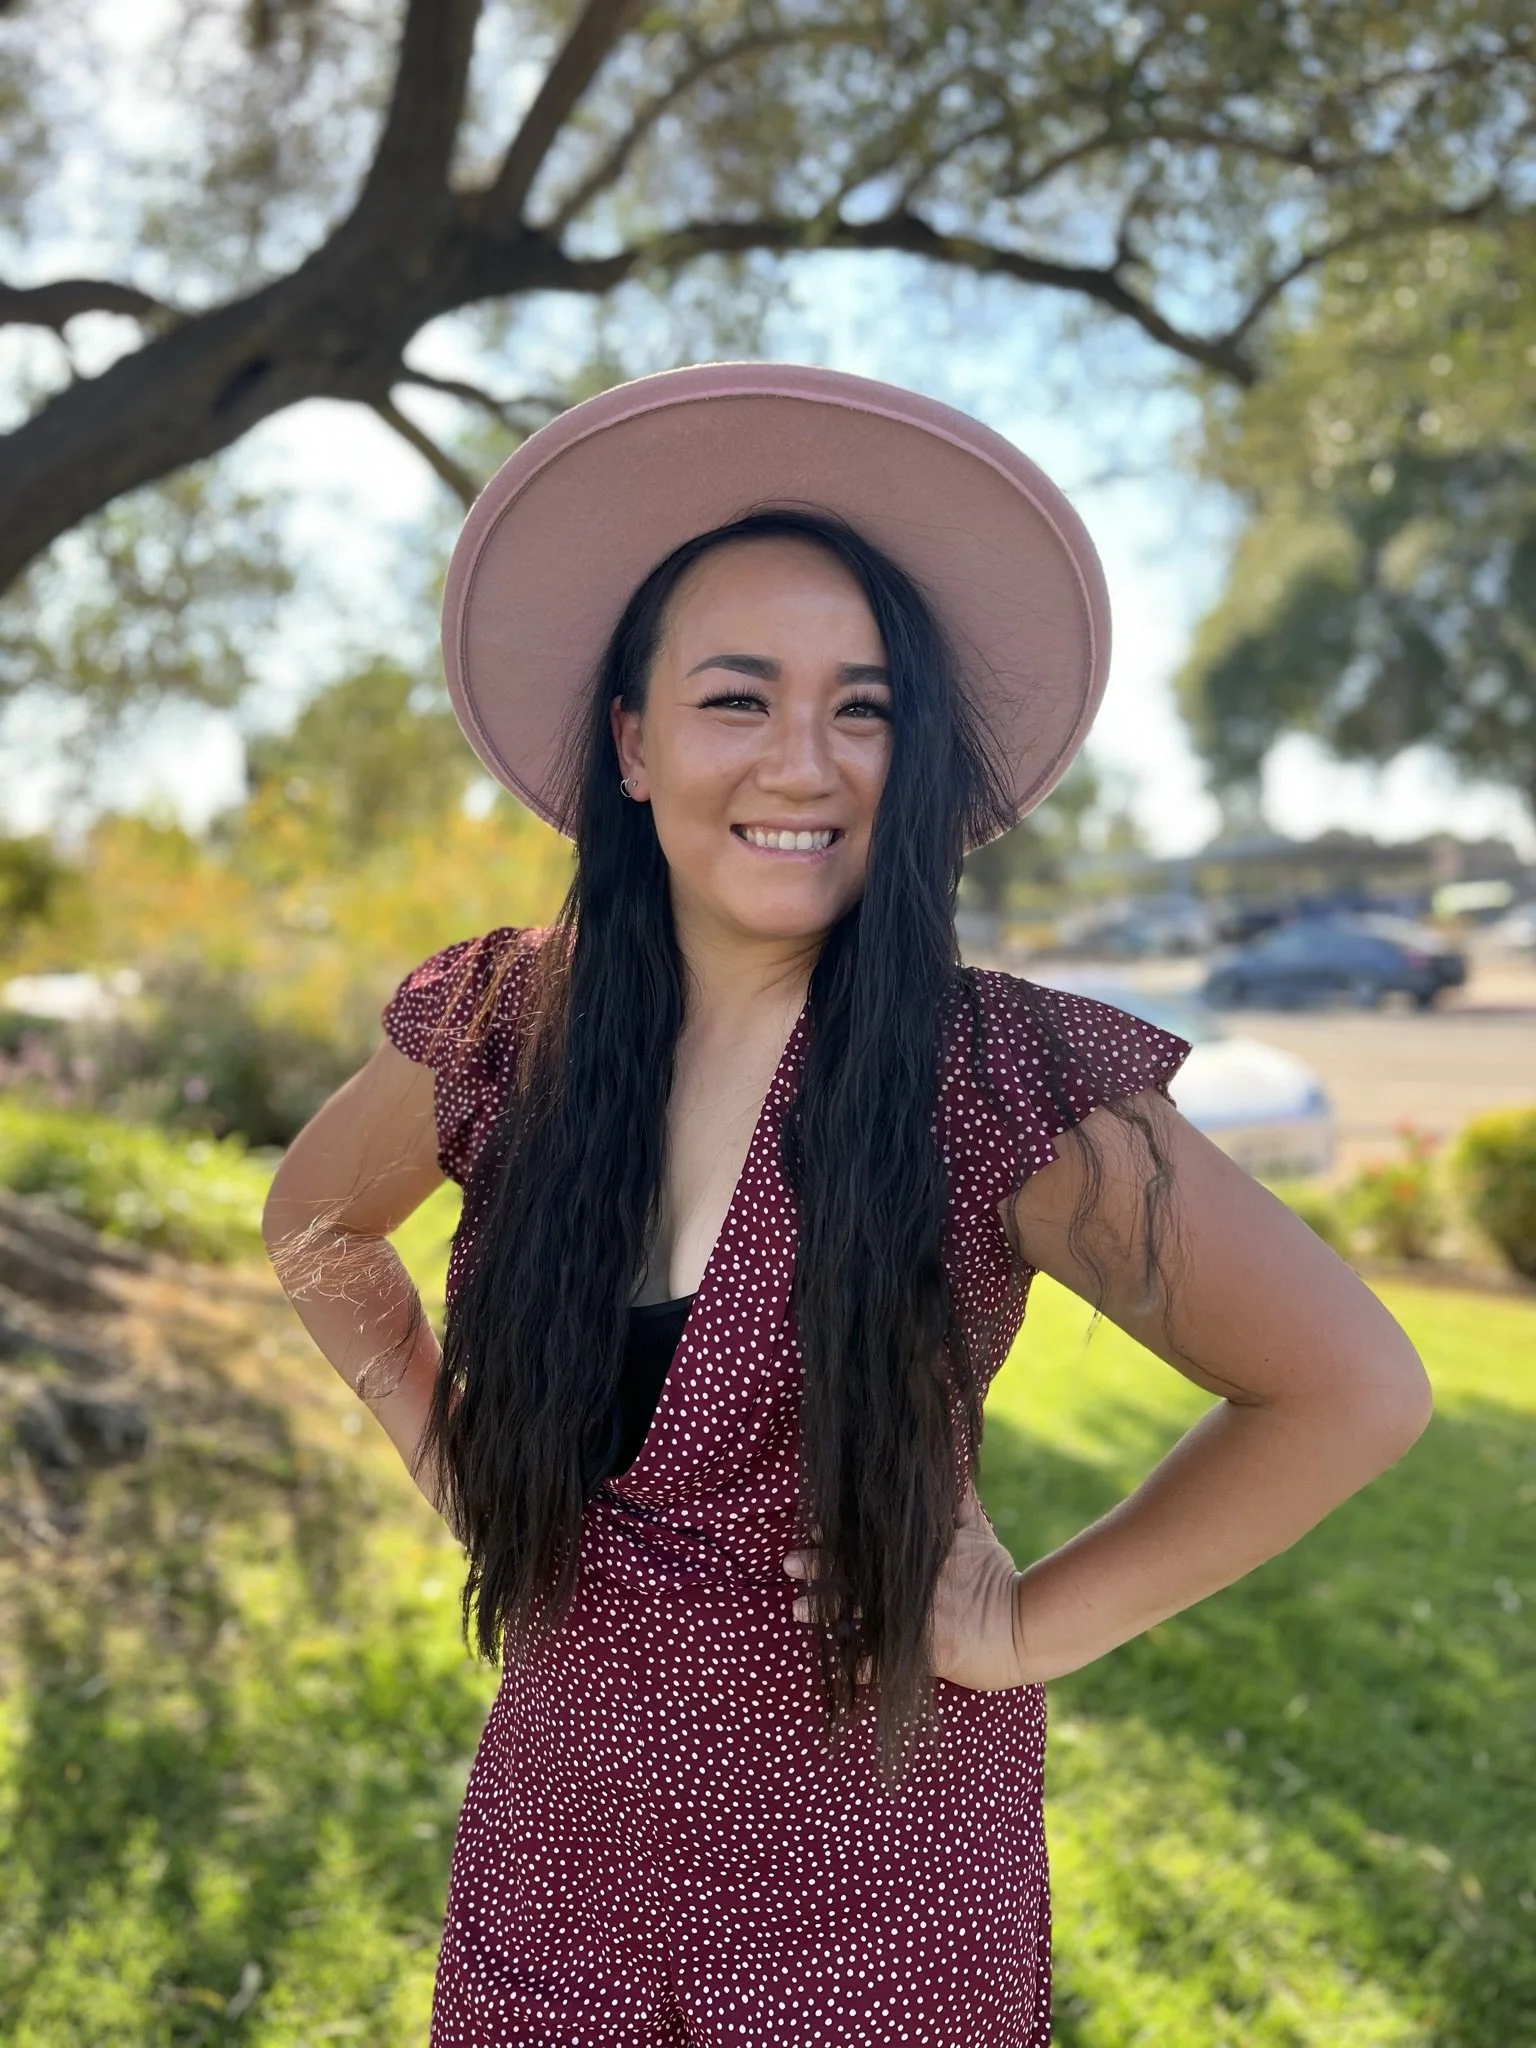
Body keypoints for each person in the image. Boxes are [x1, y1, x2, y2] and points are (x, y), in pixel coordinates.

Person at [262, 363, 1432, 2047]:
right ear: (635, 742)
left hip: (873, 1909)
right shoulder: (513, 1027)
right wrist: (450, 1456)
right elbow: (314, 1224)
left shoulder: (998, 1081)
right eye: (737, 699)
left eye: (864, 707)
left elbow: (1353, 1389)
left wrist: (1032, 1625)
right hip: (554, 1866)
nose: (804, 762)